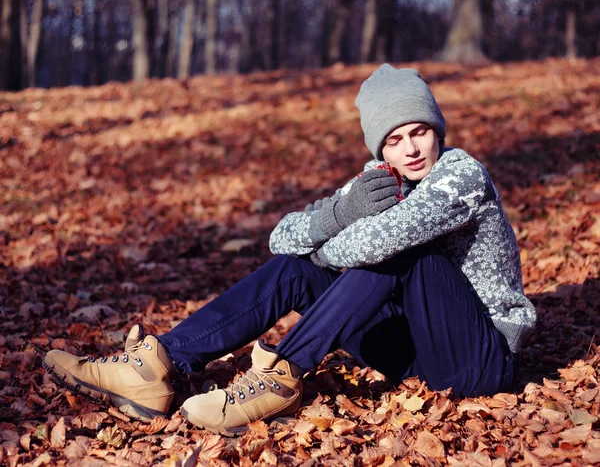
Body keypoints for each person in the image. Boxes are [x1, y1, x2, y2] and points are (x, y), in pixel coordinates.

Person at [43, 65, 536, 436]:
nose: (410, 150)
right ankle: (159, 364)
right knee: (293, 269)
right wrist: (339, 215)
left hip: (480, 360)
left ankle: (282, 376)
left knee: (405, 251)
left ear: (437, 130)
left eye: (419, 132)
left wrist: (339, 239)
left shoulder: (461, 175)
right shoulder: (379, 183)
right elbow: (282, 237)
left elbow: (381, 242)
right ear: (379, 149)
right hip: (413, 352)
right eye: (394, 140)